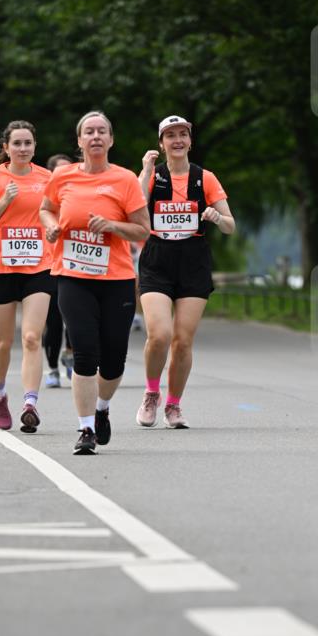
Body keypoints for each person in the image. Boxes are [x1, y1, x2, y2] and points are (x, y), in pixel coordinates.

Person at [40, 110, 150, 454]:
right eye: (89, 132)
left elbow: (143, 229)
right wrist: (51, 225)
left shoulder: (125, 179)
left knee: (114, 358)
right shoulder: (62, 176)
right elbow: (46, 208)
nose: (96, 137)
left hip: (116, 278)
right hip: (73, 276)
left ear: (111, 140)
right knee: (85, 352)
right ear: (79, 141)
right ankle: (85, 428)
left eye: (102, 131)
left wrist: (114, 227)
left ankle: (102, 410)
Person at [135, 115, 235, 429]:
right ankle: (151, 392)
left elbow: (231, 225)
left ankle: (173, 405)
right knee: (160, 334)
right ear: (161, 143)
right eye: (170, 136)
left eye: (182, 135)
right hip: (157, 259)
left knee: (182, 341)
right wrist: (146, 171)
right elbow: (135, 207)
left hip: (193, 260)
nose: (177, 141)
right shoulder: (153, 174)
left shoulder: (205, 178)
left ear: (190, 140)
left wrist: (215, 217)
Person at [0, 119, 54, 432]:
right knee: (3, 342)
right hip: (1, 267)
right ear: (5, 147)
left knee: (32, 337)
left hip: (38, 265)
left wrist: (53, 229)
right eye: (17, 143)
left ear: (35, 146)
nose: (23, 148)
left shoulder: (48, 178)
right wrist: (5, 201)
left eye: (28, 143)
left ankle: (30, 403)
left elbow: (56, 215)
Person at [43, 153, 74, 388]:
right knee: (53, 322)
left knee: (75, 319)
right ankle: (52, 367)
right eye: (59, 170)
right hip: (47, 265)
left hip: (74, 264)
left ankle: (72, 355)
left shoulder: (79, 194)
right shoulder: (45, 199)